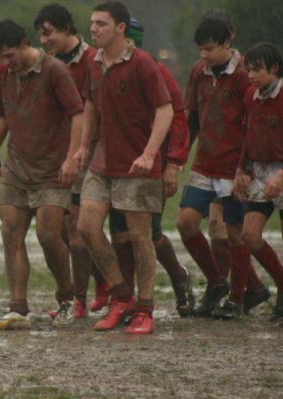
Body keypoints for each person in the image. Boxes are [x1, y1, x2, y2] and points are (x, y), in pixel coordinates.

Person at [74, 1, 174, 334]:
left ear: (120, 28)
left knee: (140, 237)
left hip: (137, 165)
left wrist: (149, 154)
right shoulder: (93, 62)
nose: (93, 29)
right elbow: (90, 105)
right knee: (87, 226)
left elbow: (165, 111)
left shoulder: (144, 64)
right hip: (102, 162)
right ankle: (121, 296)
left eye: (101, 24)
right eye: (92, 24)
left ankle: (145, 309)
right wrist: (82, 148)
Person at [0, 18, 84, 330]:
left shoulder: (55, 71)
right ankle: (17, 307)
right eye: (0, 57)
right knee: (11, 231)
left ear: (25, 44)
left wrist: (71, 158)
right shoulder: (2, 74)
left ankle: (67, 298)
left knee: (48, 234)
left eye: (9, 55)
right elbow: (0, 117)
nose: (5, 62)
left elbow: (78, 115)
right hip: (16, 168)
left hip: (53, 170)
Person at [107, 17, 195, 318]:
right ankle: (126, 300)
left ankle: (179, 278)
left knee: (149, 234)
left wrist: (173, 163)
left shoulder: (152, 68)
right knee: (119, 235)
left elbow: (178, 117)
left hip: (150, 167)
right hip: (115, 165)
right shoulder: (106, 65)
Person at [177, 14, 263, 320]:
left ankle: (238, 300)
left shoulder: (244, 75)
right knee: (185, 222)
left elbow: (255, 125)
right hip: (205, 164)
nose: (204, 55)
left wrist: (247, 169)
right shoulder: (198, 71)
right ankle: (217, 283)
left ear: (229, 42)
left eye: (210, 48)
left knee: (235, 232)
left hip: (235, 166)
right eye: (200, 49)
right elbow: (193, 119)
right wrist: (178, 159)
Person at [33, 2, 98, 320]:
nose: (44, 40)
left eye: (49, 33)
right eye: (40, 36)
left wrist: (83, 149)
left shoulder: (92, 59)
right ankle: (93, 289)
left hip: (91, 152)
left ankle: (80, 299)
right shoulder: (45, 64)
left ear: (67, 29)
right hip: (57, 155)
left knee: (77, 226)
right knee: (56, 230)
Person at [233, 42, 283, 323]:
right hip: (261, 172)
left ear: (274, 69)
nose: (251, 76)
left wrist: (281, 176)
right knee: (250, 235)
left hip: (281, 173)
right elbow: (248, 136)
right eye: (248, 70)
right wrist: (242, 169)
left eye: (257, 70)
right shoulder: (253, 96)